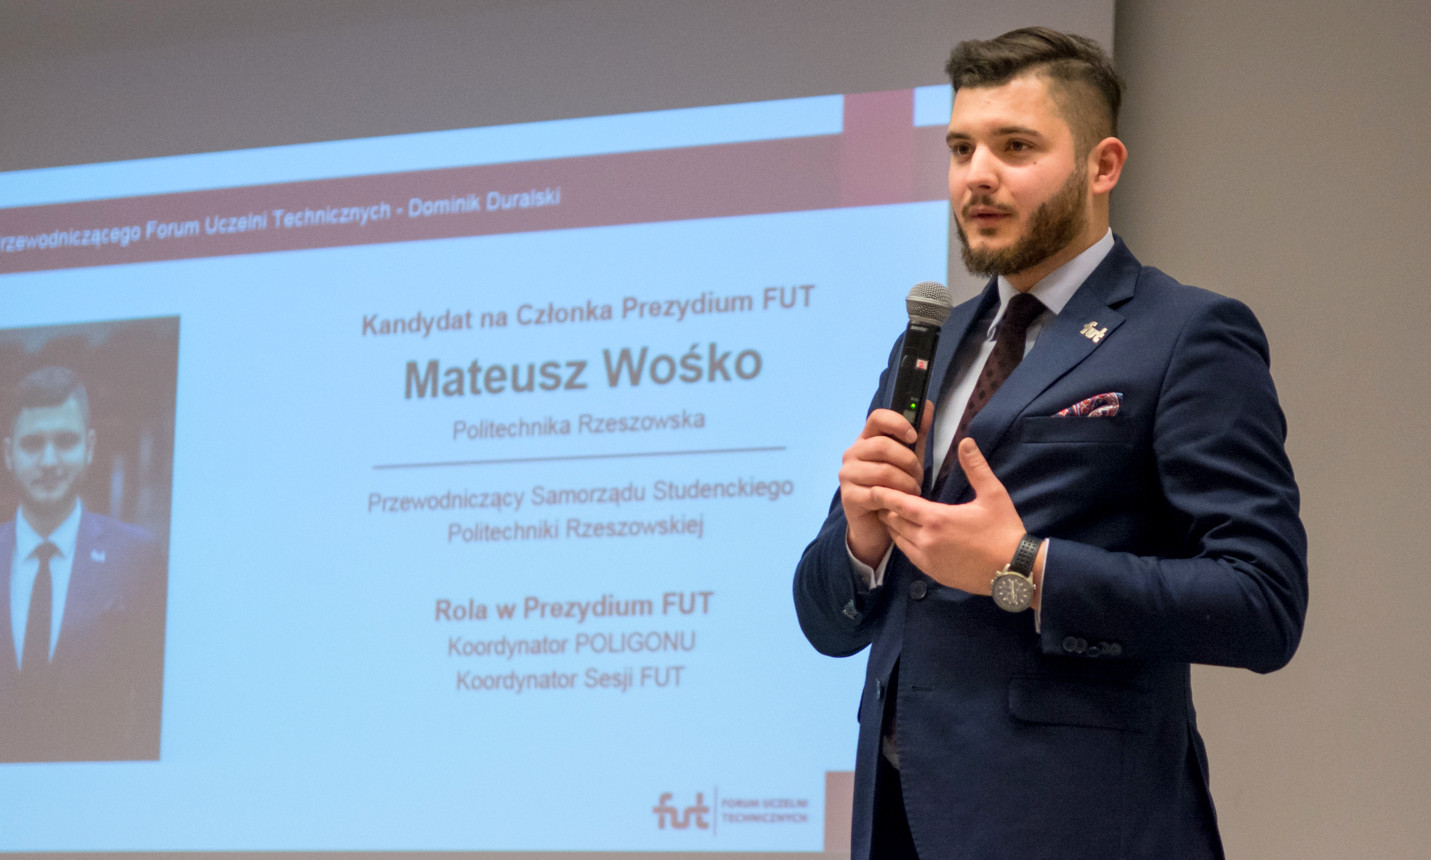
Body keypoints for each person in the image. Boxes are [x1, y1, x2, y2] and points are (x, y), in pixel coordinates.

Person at [793, 27, 1307, 860]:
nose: (977, 175)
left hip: (1080, 827)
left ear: (1102, 165)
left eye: (1015, 147)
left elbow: (1261, 605)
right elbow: (828, 624)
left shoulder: (1185, 334)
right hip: (901, 824)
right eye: (960, 149)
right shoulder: (929, 342)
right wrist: (859, 541)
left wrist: (1026, 568)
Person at [0, 365, 165, 762]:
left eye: (66, 441)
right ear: (8, 454)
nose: (49, 460)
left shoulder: (138, 559)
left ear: (90, 447)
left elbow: (152, 712)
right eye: (32, 444)